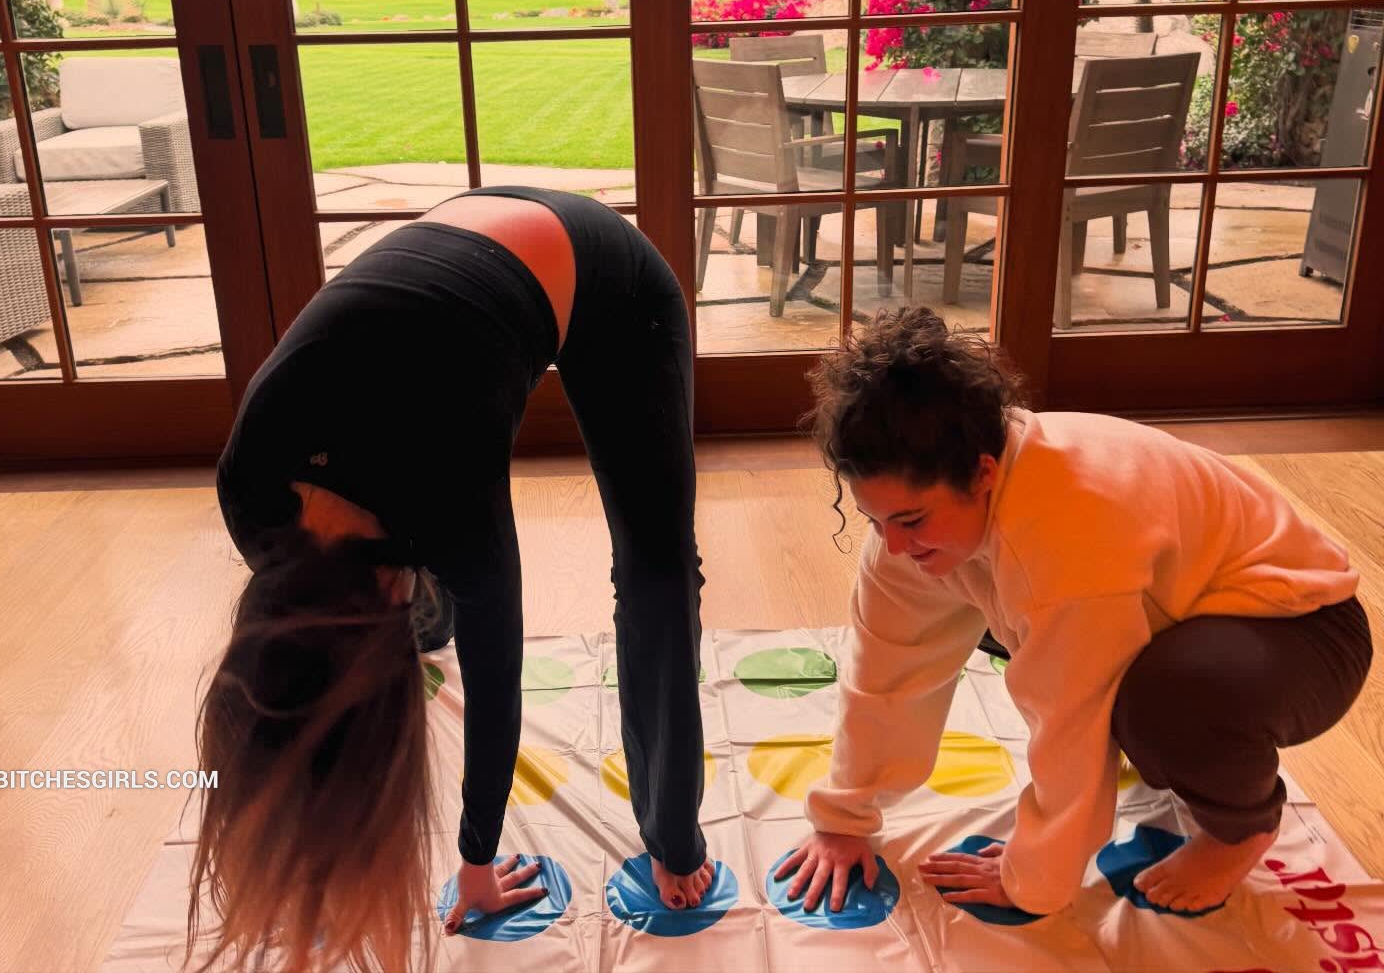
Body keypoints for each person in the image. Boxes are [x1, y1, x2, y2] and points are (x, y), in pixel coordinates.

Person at [189, 187, 713, 972]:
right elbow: (286, 685)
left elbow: (498, 686)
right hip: (461, 264)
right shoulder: (249, 490)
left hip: (609, 280)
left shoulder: (449, 496)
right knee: (425, 602)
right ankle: (420, 612)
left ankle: (672, 833)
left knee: (658, 574)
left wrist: (476, 859)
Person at [777, 307, 1370, 918]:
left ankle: (1242, 829)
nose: (894, 545)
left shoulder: (1062, 539)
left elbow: (1070, 720)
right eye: (876, 519)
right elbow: (886, 671)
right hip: (1185, 613)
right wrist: (844, 819)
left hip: (1306, 631)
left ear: (982, 474)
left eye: (911, 521)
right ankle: (1196, 746)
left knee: (1157, 705)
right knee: (1006, 627)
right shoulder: (937, 506)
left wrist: (1031, 876)